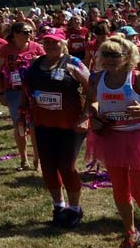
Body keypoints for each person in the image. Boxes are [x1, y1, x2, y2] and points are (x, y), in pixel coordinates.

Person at [85, 36, 140, 248]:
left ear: (128, 56)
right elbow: (91, 101)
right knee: (120, 192)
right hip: (111, 138)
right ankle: (130, 232)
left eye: (116, 55)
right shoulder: (96, 78)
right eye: (106, 55)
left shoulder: (139, 78)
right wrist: (93, 114)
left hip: (139, 139)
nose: (111, 60)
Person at [21, 31, 90, 228]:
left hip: (70, 125)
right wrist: (22, 113)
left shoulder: (74, 63)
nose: (50, 45)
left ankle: (75, 208)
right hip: (43, 124)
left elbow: (92, 89)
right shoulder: (35, 64)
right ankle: (58, 206)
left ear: (64, 43)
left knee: (67, 167)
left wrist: (86, 116)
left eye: (55, 42)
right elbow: (25, 89)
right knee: (48, 167)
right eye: (47, 42)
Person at [0, 22, 45, 171]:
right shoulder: (5, 49)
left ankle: (37, 158)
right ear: (15, 34)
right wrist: (0, 93)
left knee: (34, 125)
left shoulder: (36, 47)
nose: (28, 34)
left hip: (35, 91)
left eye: (30, 31)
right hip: (14, 92)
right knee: (20, 125)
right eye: (24, 32)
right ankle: (23, 159)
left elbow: (46, 66)